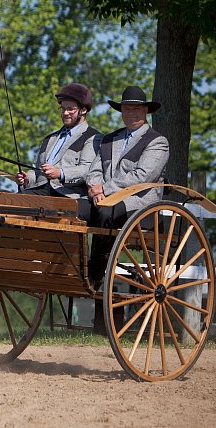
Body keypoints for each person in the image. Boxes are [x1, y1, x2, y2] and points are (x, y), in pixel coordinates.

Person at [82, 85, 170, 288]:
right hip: (102, 197)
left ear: (146, 110)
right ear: (121, 111)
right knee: (73, 209)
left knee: (105, 213)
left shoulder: (157, 141)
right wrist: (96, 188)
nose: (131, 113)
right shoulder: (109, 139)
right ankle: (73, 264)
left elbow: (143, 176)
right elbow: (94, 170)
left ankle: (96, 271)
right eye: (127, 109)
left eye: (136, 109)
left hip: (138, 202)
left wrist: (106, 189)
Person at [15, 83, 102, 207]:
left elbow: (87, 169)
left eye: (70, 109)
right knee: (6, 200)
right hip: (41, 192)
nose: (65, 113)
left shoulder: (93, 137)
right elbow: (39, 172)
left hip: (67, 195)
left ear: (83, 110)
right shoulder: (50, 139)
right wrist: (27, 178)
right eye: (63, 108)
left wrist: (60, 173)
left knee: (20, 202)